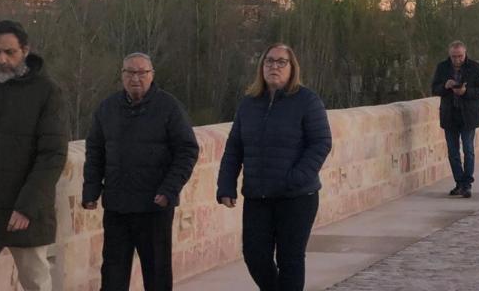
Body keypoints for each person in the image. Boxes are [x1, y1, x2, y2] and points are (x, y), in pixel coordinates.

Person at [217, 44, 333, 291]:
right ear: (261, 67)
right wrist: (226, 184)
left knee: (290, 259)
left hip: (296, 196)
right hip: (257, 194)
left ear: (292, 68)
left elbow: (321, 143)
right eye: (269, 61)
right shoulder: (249, 103)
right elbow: (235, 146)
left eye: (282, 62)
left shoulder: (307, 100)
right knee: (254, 255)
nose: (274, 67)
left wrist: (295, 177)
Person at [0, 20, 68, 291]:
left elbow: (52, 155)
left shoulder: (47, 92)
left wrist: (27, 206)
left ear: (25, 50)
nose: (2, 59)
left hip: (25, 211)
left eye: (9, 52)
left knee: (35, 282)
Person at [83, 53, 200, 291]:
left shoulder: (169, 107)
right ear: (122, 76)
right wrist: (91, 191)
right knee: (113, 274)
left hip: (154, 206)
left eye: (141, 73)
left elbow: (187, 151)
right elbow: (95, 152)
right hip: (117, 206)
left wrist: (169, 189)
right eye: (129, 72)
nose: (135, 78)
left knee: (157, 275)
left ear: (151, 75)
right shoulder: (107, 108)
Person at [431, 41, 479, 198]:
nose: (457, 60)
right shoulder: (442, 67)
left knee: (468, 150)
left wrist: (465, 91)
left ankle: (467, 183)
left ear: (465, 53)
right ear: (450, 55)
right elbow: (434, 88)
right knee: (453, 152)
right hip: (450, 115)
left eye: (460, 56)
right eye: (454, 57)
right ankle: (459, 182)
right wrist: (445, 86)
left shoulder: (475, 67)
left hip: (468, 115)